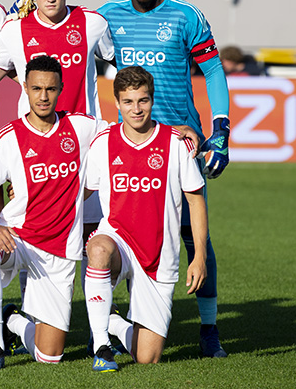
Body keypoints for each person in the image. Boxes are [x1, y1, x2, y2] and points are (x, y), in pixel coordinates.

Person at [97, 0, 230, 358]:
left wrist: (220, 130)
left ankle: (209, 328)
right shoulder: (106, 18)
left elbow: (213, 71)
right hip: (131, 146)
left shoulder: (186, 15)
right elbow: (67, 42)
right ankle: (118, 321)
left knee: (195, 236)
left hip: (180, 144)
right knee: (127, 233)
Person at [0, 56, 111, 370]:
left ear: (61, 89)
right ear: (25, 88)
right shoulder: (7, 137)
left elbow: (124, 132)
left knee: (49, 356)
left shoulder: (82, 126)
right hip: (17, 237)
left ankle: (12, 320)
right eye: (36, 88)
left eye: (50, 89)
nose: (43, 96)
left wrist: (176, 130)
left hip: (59, 251)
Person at [83, 66, 208, 371]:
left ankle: (111, 320)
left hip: (159, 254)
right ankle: (101, 346)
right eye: (128, 101)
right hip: (118, 241)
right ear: (117, 103)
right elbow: (79, 193)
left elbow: (196, 201)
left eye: (143, 100)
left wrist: (200, 256)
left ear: (153, 100)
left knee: (147, 358)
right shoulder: (103, 142)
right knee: (97, 248)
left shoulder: (176, 143)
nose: (136, 109)